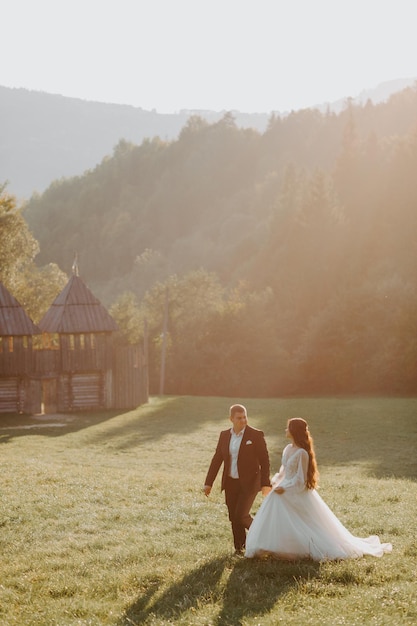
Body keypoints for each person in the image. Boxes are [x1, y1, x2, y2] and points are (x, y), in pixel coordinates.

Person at [245, 417, 392, 561]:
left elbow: (300, 479)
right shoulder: (288, 448)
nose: (285, 430)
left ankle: (294, 548)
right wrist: (275, 482)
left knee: (300, 519)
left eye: (288, 427)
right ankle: (269, 546)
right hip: (283, 488)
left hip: (295, 490)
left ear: (294, 431)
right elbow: (283, 471)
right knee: (274, 507)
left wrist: (285, 488)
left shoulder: (302, 453)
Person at [204, 404, 271, 554]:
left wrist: (265, 483)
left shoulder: (255, 435)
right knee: (234, 517)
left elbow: (264, 460)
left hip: (250, 483)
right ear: (231, 419)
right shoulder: (224, 435)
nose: (243, 420)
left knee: (241, 515)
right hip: (230, 483)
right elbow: (217, 459)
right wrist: (208, 483)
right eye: (239, 418)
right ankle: (240, 548)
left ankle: (266, 538)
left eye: (245, 417)